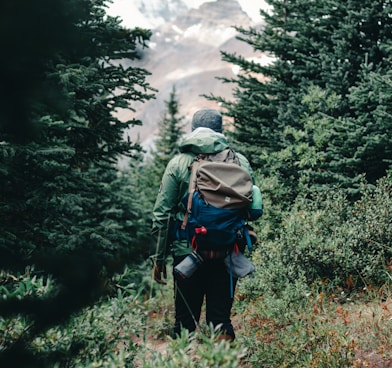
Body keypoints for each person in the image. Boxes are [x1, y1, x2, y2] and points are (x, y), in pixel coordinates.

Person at [150, 108, 254, 341]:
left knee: (185, 322)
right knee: (220, 320)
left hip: (187, 252)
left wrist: (158, 259)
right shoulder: (240, 161)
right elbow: (253, 209)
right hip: (228, 252)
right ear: (220, 131)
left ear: (193, 130)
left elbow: (161, 214)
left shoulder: (178, 163)